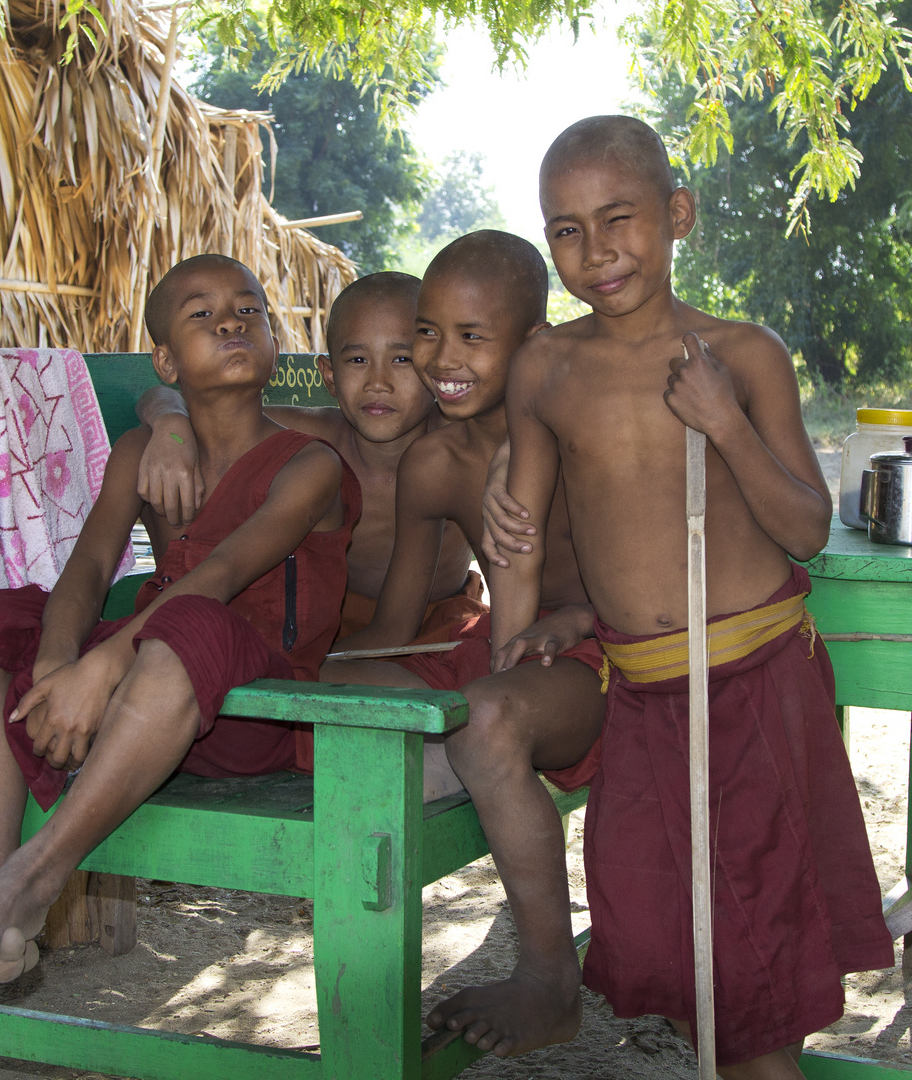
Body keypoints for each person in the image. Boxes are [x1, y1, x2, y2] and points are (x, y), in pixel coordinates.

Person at [487, 116, 893, 1079]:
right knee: (663, 930)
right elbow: (525, 528)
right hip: (641, 692)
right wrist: (522, 634)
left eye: (619, 218)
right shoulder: (545, 367)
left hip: (750, 685)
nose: (596, 252)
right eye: (567, 231)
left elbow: (806, 527)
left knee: (751, 956)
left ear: (678, 215)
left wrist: (725, 425)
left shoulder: (739, 355)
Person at [0, 254, 359, 997]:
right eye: (202, 316)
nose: (231, 325)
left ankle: (36, 876)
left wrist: (101, 667)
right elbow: (86, 570)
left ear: (275, 343)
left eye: (249, 312)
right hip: (144, 689)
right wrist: (57, 663)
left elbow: (217, 579)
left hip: (253, 713)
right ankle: (3, 914)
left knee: (191, 624)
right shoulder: (144, 452)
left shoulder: (308, 465)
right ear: (166, 359)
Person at [324, 230, 609, 1058]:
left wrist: (582, 619)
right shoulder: (437, 462)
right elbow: (394, 627)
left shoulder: (581, 424)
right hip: (499, 654)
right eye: (429, 332)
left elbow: (656, 575)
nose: (441, 358)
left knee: (484, 721)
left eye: (471, 337)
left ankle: (552, 982)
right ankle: (467, 765)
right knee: (335, 695)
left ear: (531, 341)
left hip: (602, 654)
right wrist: (309, 670)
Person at [133, 271, 484, 644]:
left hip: (443, 624)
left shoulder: (462, 448)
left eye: (401, 358)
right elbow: (162, 397)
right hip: (325, 622)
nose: (377, 382)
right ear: (330, 377)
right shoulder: (308, 439)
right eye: (359, 359)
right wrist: (171, 426)